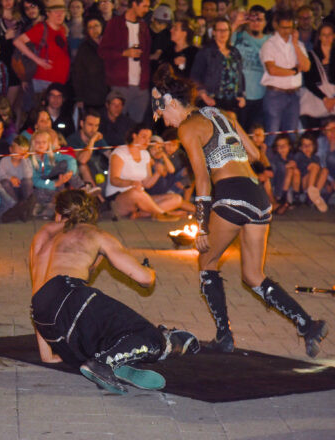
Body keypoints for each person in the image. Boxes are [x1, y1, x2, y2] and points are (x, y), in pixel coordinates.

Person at [152, 63, 328, 358]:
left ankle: (224, 336)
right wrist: (207, 148)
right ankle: (307, 324)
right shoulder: (224, 114)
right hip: (257, 196)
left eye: (161, 112)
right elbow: (256, 154)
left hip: (231, 196)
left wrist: (202, 225)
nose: (161, 119)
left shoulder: (186, 127)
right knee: (253, 275)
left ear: (171, 102)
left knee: (207, 262)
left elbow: (203, 179)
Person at [29, 188, 200, 394]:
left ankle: (110, 360)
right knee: (149, 337)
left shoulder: (44, 234)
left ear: (59, 213)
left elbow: (39, 292)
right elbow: (144, 279)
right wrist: (149, 270)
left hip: (47, 320)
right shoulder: (95, 234)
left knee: (103, 334)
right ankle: (105, 362)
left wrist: (46, 354)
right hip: (71, 297)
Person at [105, 123, 184, 220]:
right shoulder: (120, 152)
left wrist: (157, 173)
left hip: (140, 196)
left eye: (149, 138)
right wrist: (131, 183)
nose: (147, 141)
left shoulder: (145, 154)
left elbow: (147, 184)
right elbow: (114, 180)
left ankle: (142, 214)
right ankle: (161, 214)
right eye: (144, 137)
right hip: (119, 198)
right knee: (135, 193)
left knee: (176, 199)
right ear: (134, 136)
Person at [260, 9, 311, 147]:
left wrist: (294, 44)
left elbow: (306, 66)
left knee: (291, 136)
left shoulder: (298, 44)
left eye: (289, 27)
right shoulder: (269, 44)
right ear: (276, 25)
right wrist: (294, 71)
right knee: (272, 134)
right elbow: (272, 70)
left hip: (294, 95)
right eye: (283, 27)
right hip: (275, 95)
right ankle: (269, 167)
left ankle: (289, 166)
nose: (286, 31)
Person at [98, 0, 151, 123]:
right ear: (134, 4)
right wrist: (123, 53)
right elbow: (103, 52)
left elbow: (147, 53)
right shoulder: (114, 24)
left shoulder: (143, 27)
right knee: (114, 121)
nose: (147, 9)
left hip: (141, 86)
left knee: (136, 125)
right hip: (120, 84)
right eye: (144, 6)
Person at [190, 17, 245, 116]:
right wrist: (203, 95)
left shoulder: (235, 52)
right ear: (214, 32)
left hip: (232, 102)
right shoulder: (205, 52)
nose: (223, 33)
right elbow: (195, 76)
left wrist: (241, 95)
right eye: (219, 30)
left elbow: (240, 75)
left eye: (225, 30)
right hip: (211, 101)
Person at [13, 0, 69, 94]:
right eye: (56, 12)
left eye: (62, 11)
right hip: (45, 80)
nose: (60, 15)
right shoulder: (41, 28)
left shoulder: (62, 28)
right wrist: (38, 60)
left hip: (59, 80)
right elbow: (18, 42)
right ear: (48, 13)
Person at [231, 5, 270, 132]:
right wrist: (236, 23)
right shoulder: (238, 36)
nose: (256, 23)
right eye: (252, 19)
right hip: (239, 96)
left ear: (265, 22)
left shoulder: (270, 41)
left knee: (254, 136)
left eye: (259, 20)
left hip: (261, 97)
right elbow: (221, 44)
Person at [71, 15, 107, 111]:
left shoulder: (110, 43)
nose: (94, 29)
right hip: (91, 95)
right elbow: (77, 73)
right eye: (90, 27)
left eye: (96, 26)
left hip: (109, 93)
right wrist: (79, 97)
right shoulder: (84, 48)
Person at [294, 133, 328, 212]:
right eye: (304, 145)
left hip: (314, 182)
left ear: (314, 146)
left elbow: (319, 172)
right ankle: (310, 193)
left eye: (310, 145)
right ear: (300, 147)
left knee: (325, 170)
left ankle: (315, 194)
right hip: (303, 183)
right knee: (314, 166)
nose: (307, 148)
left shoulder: (316, 158)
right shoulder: (299, 155)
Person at [0, 134, 34, 203]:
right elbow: (0, 177)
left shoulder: (27, 161)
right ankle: (15, 205)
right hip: (10, 190)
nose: (17, 156)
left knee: (28, 182)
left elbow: (28, 176)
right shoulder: (4, 160)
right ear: (10, 149)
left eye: (21, 154)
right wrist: (10, 178)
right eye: (15, 153)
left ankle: (27, 204)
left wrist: (24, 160)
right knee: (4, 183)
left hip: (23, 189)